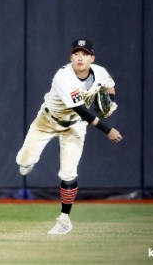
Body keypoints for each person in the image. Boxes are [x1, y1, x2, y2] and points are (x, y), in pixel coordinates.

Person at [16, 39, 122, 235]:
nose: (80, 57)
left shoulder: (100, 72)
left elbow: (110, 85)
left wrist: (110, 103)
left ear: (92, 58)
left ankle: (65, 220)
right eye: (76, 53)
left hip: (75, 127)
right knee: (24, 163)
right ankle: (27, 161)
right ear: (70, 57)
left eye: (84, 53)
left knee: (69, 173)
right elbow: (81, 110)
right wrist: (108, 129)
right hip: (47, 122)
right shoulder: (63, 77)